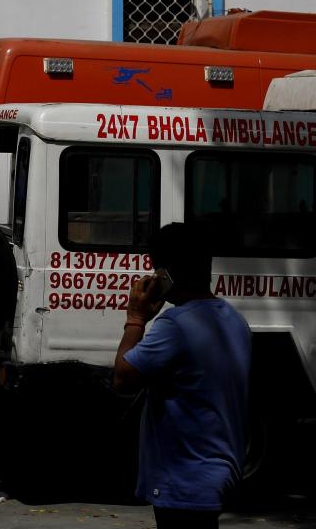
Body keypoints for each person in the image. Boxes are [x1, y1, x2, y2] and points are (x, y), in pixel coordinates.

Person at [114, 223, 251, 529]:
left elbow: (123, 378)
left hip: (184, 479)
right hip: (218, 472)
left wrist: (135, 318)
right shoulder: (234, 319)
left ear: (166, 274)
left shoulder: (175, 324)